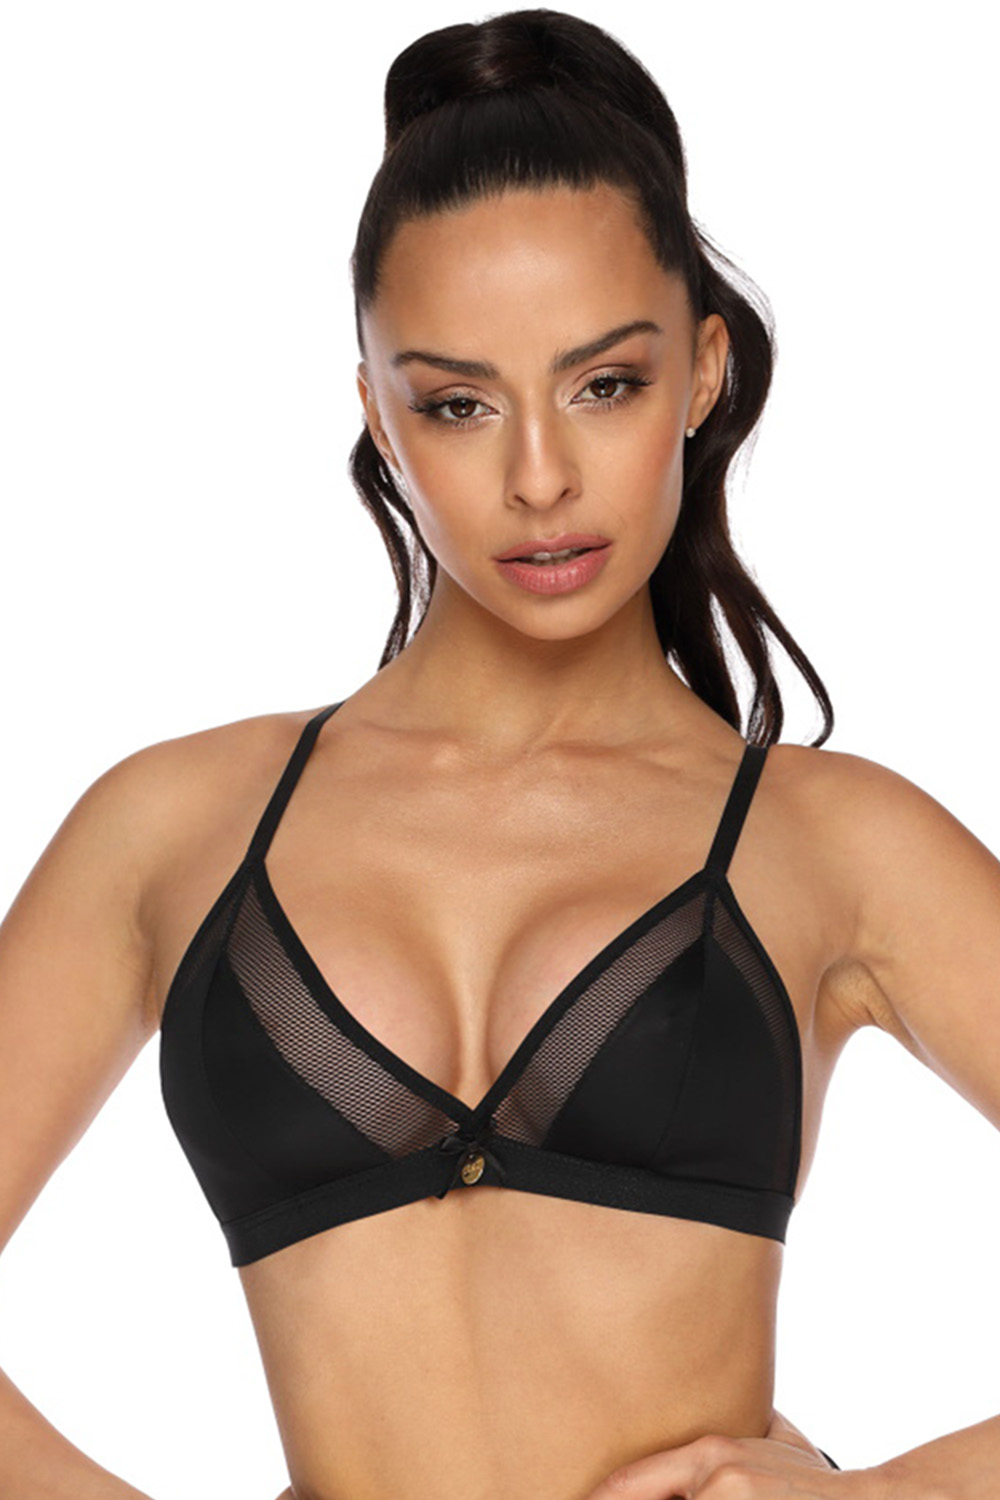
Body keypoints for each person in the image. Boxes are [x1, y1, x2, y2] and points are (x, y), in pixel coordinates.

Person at [1, 7, 998, 1498]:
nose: (540, 477)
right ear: (377, 414)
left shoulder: (838, 845)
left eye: (606, 384)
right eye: (459, 404)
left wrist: (885, 1497)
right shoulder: (172, 827)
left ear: (704, 370)